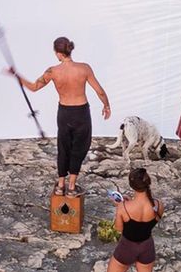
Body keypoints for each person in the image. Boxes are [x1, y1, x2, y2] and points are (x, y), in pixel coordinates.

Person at [13, 36, 111, 196]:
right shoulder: (84, 68)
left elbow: (33, 87)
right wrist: (106, 105)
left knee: (63, 146)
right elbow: (99, 91)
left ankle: (60, 185)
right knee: (80, 146)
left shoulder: (53, 71)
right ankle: (71, 186)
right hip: (81, 112)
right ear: (69, 50)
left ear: (58, 53)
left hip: (64, 113)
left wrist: (17, 76)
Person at [91, 168, 163, 272]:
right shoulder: (158, 205)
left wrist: (122, 206)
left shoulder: (123, 207)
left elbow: (118, 229)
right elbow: (152, 219)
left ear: (132, 185)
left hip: (127, 247)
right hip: (147, 246)